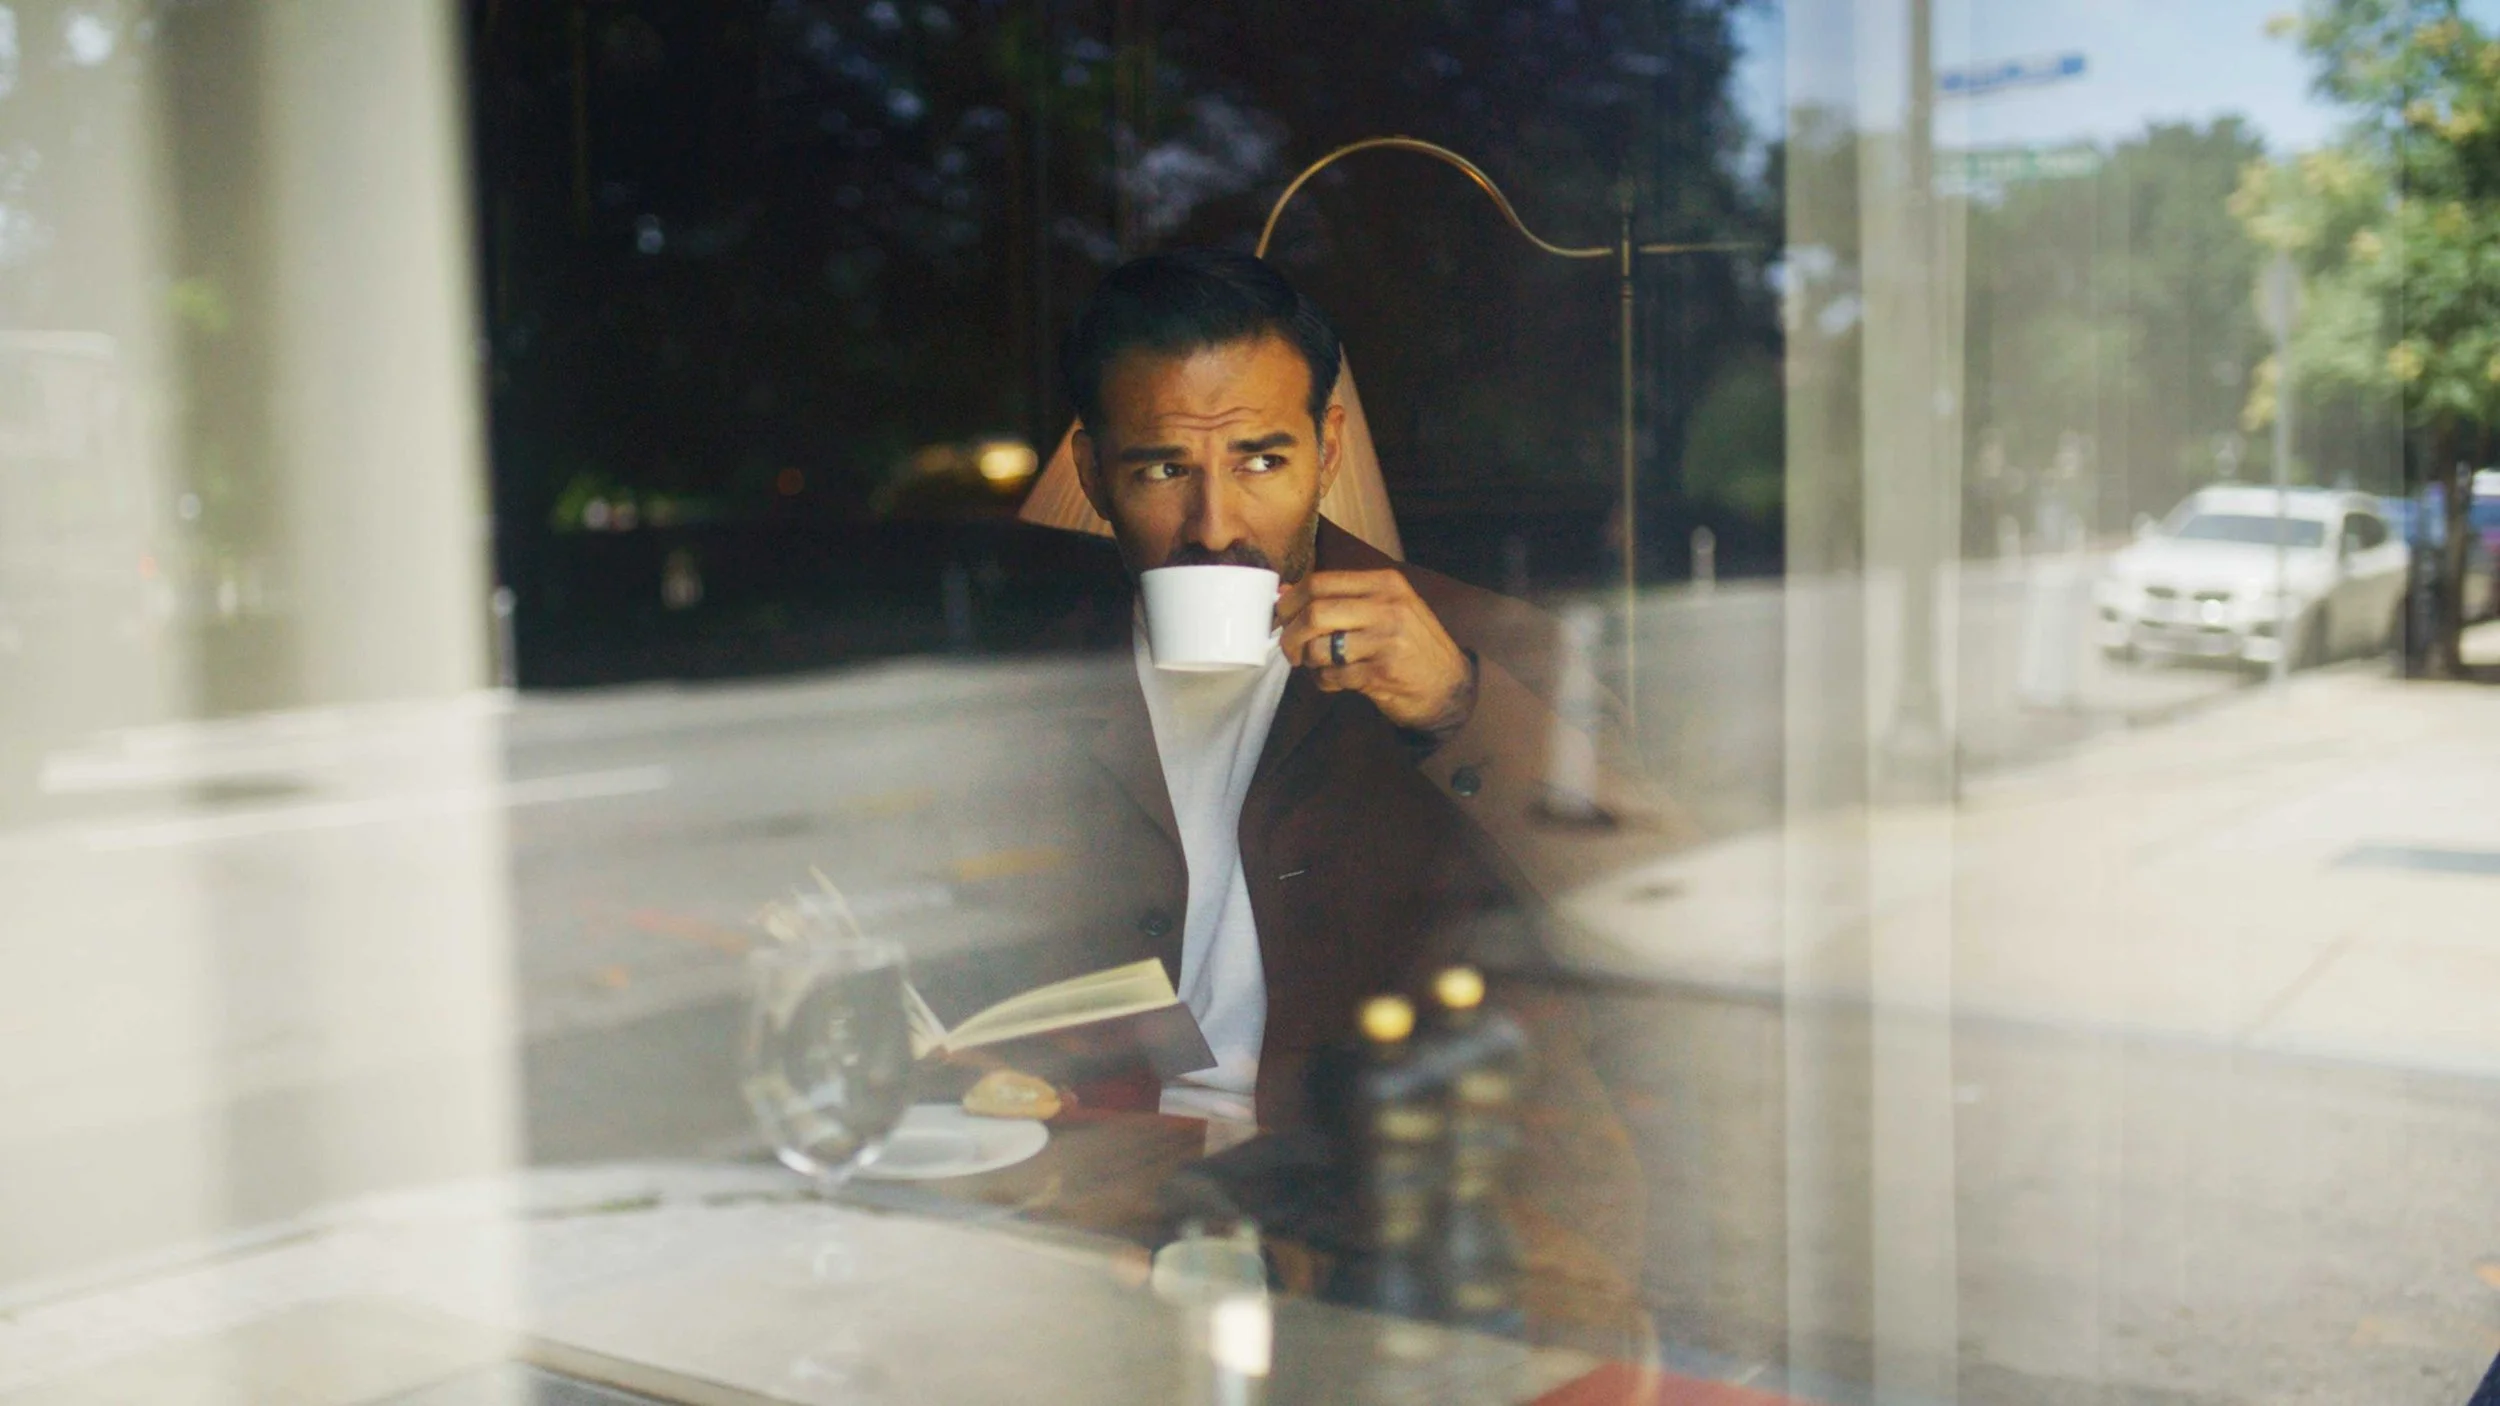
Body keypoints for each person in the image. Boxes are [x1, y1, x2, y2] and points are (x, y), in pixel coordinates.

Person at [962, 248, 1691, 1303]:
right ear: (1090, 471)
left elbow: (1658, 917)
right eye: (1164, 468)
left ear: (1327, 444)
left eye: (1260, 459)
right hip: (1122, 1201)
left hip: (1426, 1220)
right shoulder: (1037, 693)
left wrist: (1454, 705)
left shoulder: (1482, 646)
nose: (1215, 525)